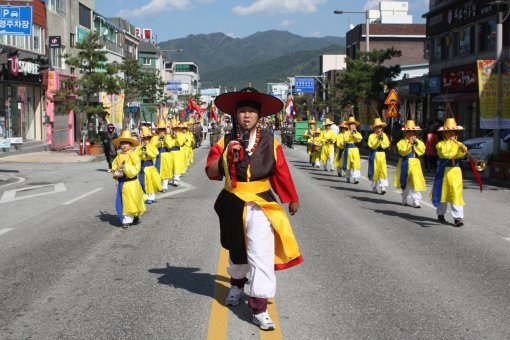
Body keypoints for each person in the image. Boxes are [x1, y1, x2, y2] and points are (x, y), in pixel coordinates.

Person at [205, 87, 302, 331]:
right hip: (232, 201)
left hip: (260, 202)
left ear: (259, 116)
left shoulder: (271, 141)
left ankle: (259, 306)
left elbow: (281, 172)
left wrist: (291, 197)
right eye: (242, 111)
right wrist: (227, 154)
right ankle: (237, 284)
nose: (246, 116)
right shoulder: (224, 141)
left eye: (251, 112)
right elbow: (211, 171)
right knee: (236, 249)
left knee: (261, 253)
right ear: (235, 115)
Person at [431, 117, 467, 227]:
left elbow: (462, 154)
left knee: (456, 194)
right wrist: (456, 148)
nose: (452, 135)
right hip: (443, 171)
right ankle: (440, 214)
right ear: (444, 134)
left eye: (453, 133)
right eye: (449, 133)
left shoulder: (460, 144)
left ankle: (458, 218)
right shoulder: (440, 144)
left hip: (455, 171)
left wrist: (462, 149)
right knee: (442, 193)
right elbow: (444, 154)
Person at [111, 131, 146, 229]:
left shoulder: (135, 156)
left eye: (126, 143)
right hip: (122, 182)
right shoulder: (119, 156)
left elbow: (136, 169)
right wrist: (116, 170)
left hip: (132, 183)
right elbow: (114, 166)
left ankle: (129, 218)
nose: (124, 146)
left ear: (130, 145)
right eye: (122, 143)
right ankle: (127, 218)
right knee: (123, 201)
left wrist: (125, 166)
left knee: (131, 200)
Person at [394, 120, 426, 208]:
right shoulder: (401, 142)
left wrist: (415, 143)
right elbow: (403, 151)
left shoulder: (418, 141)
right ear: (406, 133)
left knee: (415, 181)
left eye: (413, 133)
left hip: (415, 163)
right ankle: (404, 198)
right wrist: (409, 144)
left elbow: (422, 151)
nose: (411, 135)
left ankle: (416, 200)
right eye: (409, 133)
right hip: (404, 162)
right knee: (405, 182)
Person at [137, 126, 162, 204]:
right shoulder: (139, 147)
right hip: (142, 167)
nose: (146, 140)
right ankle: (144, 196)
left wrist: (147, 149)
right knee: (142, 182)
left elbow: (154, 154)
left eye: (147, 138)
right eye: (144, 138)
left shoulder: (152, 146)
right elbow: (137, 155)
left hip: (150, 167)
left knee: (150, 183)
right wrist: (142, 151)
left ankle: (150, 197)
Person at [367, 117, 390, 194]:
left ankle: (383, 187)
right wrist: (377, 139)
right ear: (374, 129)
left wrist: (381, 140)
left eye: (380, 127)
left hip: (382, 155)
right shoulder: (371, 136)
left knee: (382, 171)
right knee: (374, 171)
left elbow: (387, 144)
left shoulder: (384, 135)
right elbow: (371, 145)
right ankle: (374, 187)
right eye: (377, 127)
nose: (379, 129)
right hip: (374, 154)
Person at [151, 119, 174, 193]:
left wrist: (165, 140)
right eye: (160, 130)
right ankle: (158, 185)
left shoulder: (168, 137)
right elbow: (152, 146)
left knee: (166, 171)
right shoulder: (154, 138)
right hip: (157, 155)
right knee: (157, 171)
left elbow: (170, 145)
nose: (161, 131)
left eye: (163, 130)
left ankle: (165, 186)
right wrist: (158, 141)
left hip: (166, 155)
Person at [341, 116, 363, 184]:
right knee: (348, 164)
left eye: (353, 125)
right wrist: (350, 133)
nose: (352, 126)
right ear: (348, 126)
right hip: (348, 149)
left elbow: (359, 139)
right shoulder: (346, 133)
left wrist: (354, 134)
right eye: (351, 125)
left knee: (356, 164)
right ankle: (348, 176)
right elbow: (346, 139)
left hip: (355, 149)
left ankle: (356, 178)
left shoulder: (357, 133)